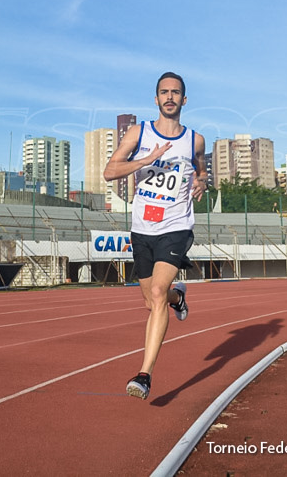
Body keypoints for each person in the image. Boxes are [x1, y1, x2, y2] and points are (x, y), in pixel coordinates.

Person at [103, 71, 206, 401]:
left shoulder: (195, 140)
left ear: (184, 100)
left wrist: (202, 182)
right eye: (164, 92)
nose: (170, 97)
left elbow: (202, 170)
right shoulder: (139, 132)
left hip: (175, 226)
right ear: (156, 98)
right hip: (142, 228)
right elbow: (109, 172)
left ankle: (144, 375)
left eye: (176, 92)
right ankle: (179, 298)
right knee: (152, 301)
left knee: (157, 292)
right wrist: (145, 161)